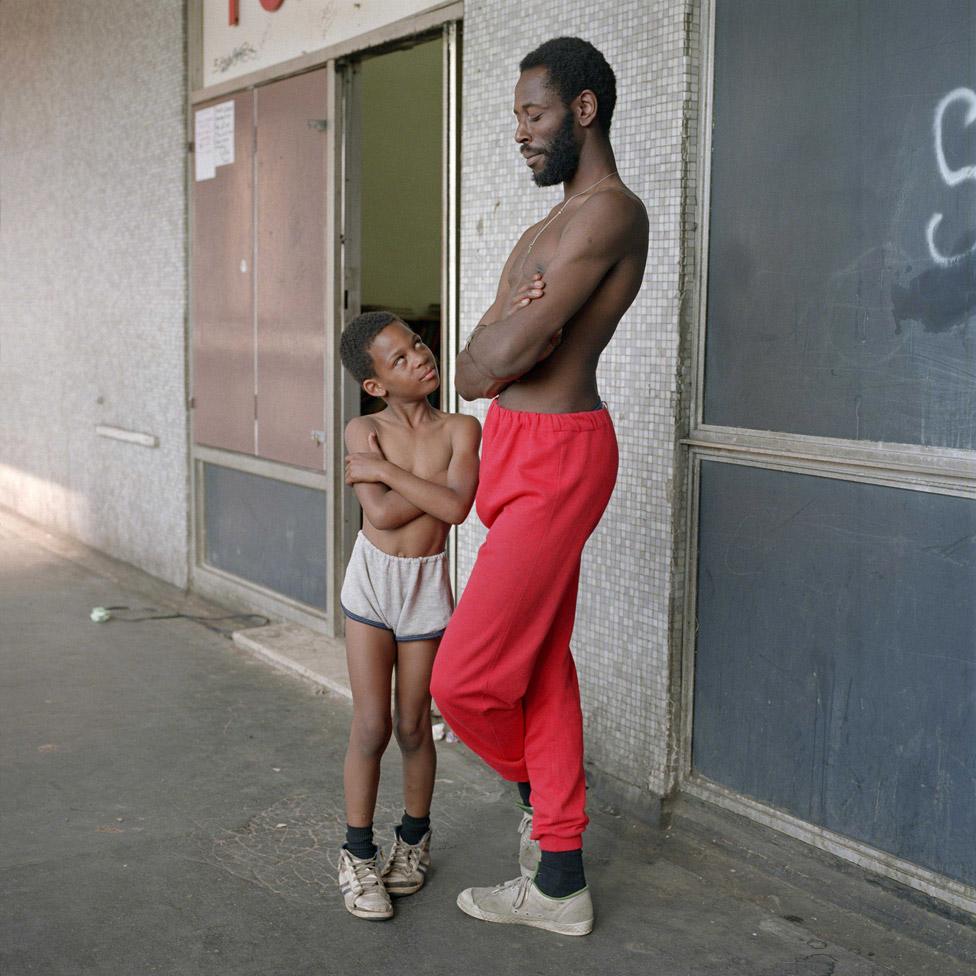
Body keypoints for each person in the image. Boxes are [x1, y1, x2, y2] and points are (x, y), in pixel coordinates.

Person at [429, 36, 648, 936]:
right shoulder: (538, 230)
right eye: (517, 116)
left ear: (583, 110)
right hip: (514, 448)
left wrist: (498, 343)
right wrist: (493, 345)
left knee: (464, 678)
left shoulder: (609, 216)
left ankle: (548, 808)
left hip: (559, 454)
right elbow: (475, 354)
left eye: (534, 114)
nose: (520, 133)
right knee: (542, 664)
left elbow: (493, 359)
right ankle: (559, 881)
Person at [336, 310, 481, 920]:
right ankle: (357, 854)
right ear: (376, 385)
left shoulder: (462, 428)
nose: (420, 358)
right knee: (371, 727)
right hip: (371, 583)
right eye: (399, 359)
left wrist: (389, 474)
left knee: (414, 726)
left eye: (418, 345)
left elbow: (455, 508)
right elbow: (385, 518)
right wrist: (412, 491)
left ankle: (414, 841)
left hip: (425, 588)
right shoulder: (359, 430)